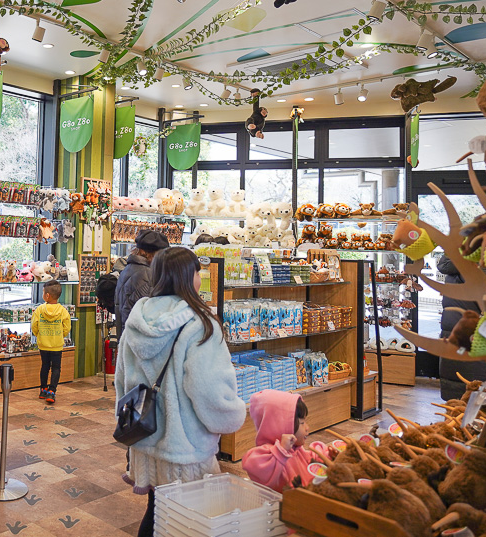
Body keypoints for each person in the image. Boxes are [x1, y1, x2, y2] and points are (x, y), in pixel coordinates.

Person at [116, 247, 245, 537]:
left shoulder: (136, 321)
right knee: (187, 523)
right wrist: (232, 416)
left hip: (144, 436)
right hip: (186, 447)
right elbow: (208, 389)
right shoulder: (200, 324)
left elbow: (121, 381)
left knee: (155, 512)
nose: (201, 277)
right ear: (189, 276)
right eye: (198, 270)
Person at [242, 390, 331, 491]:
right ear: (281, 426)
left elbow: (308, 460)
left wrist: (326, 455)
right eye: (302, 423)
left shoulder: (295, 449)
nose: (307, 427)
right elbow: (254, 467)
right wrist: (281, 452)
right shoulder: (270, 453)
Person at [436, 254, 486, 400]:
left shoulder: (452, 270)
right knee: (479, 395)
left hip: (452, 335)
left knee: (455, 399)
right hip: (475, 340)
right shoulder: (484, 270)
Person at [114, 230, 169, 336]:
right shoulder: (147, 275)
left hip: (127, 337)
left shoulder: (128, 269)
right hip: (138, 340)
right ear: (150, 254)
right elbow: (148, 316)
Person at [32, 280, 72, 404]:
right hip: (57, 345)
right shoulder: (63, 311)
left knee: (44, 366)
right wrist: (60, 335)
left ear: (47, 296)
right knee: (56, 368)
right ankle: (52, 391)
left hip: (43, 344)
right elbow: (67, 327)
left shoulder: (39, 309)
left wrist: (39, 335)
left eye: (43, 292)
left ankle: (43, 389)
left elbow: (34, 325)